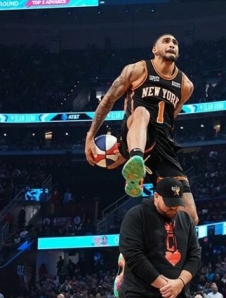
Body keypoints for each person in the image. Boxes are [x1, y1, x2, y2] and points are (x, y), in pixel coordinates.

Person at [84, 33, 197, 224]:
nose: (171, 44)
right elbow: (108, 100)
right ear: (154, 49)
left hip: (163, 147)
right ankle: (136, 161)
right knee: (142, 112)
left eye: (175, 43)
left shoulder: (185, 85)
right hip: (135, 129)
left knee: (191, 217)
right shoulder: (138, 70)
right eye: (166, 41)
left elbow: (171, 118)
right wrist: (90, 135)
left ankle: (152, 234)